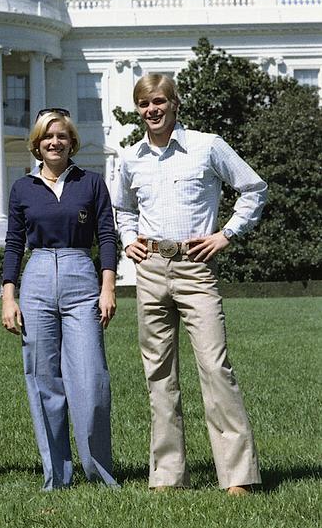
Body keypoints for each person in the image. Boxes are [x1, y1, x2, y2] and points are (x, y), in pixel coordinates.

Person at [114, 73, 266, 495]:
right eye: (144, 104)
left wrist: (226, 235)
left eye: (159, 102)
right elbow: (121, 209)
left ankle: (237, 476)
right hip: (150, 272)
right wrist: (129, 241)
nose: (152, 110)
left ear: (175, 103)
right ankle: (166, 476)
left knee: (215, 368)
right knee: (158, 373)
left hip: (195, 269)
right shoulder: (130, 158)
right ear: (138, 109)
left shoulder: (207, 145)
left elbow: (254, 188)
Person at [0, 109, 118, 490]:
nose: (55, 142)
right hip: (35, 279)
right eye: (48, 137)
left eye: (62, 136)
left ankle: (98, 472)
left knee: (91, 377)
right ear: (37, 144)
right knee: (43, 378)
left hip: (80, 272)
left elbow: (107, 235)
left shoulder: (91, 183)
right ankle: (57, 474)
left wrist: (108, 287)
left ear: (72, 142)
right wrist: (8, 295)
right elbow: (15, 244)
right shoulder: (23, 188)